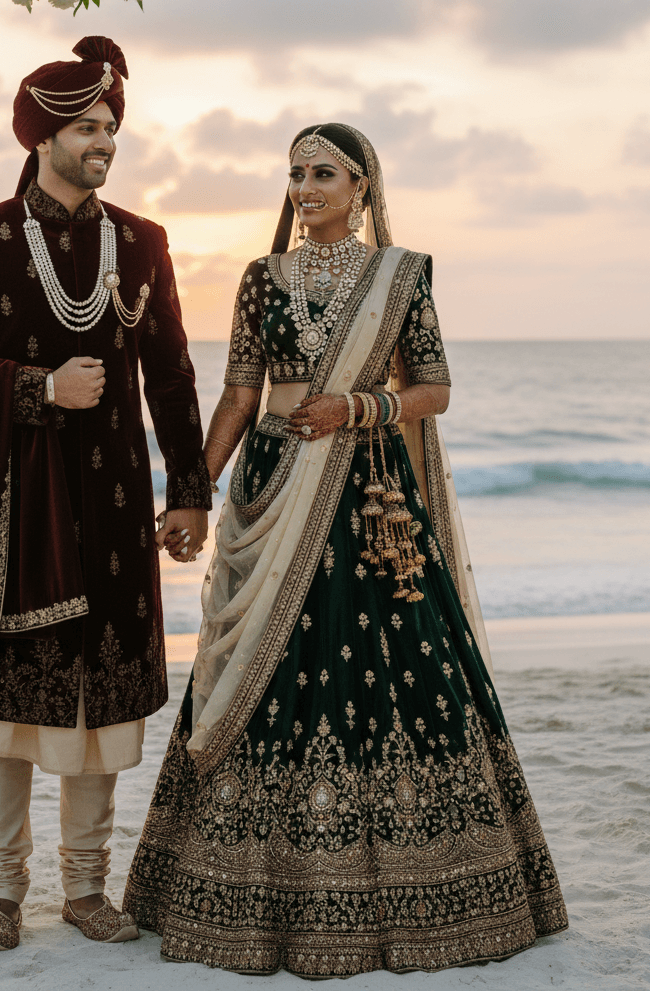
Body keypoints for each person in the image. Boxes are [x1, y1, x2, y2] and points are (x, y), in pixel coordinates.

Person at [124, 123, 569, 976]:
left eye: (323, 173)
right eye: (294, 174)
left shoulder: (400, 277)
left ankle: (438, 888)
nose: (305, 187)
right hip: (276, 480)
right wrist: (192, 490)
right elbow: (238, 393)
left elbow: (433, 389)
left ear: (363, 187)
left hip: (367, 494)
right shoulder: (261, 277)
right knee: (257, 663)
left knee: (402, 666)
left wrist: (357, 411)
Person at [0, 36, 210, 952]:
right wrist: (39, 388)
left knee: (103, 708)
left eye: (111, 125)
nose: (106, 140)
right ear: (42, 135)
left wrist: (190, 490)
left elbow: (170, 373)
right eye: (88, 126)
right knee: (5, 708)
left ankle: (87, 889)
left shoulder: (144, 241)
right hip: (13, 508)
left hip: (117, 505)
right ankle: (2, 894)